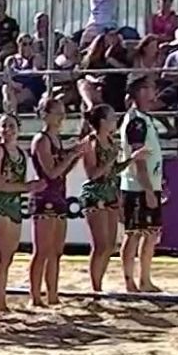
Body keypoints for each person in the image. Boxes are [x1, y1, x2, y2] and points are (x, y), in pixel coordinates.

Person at [27, 95, 89, 306]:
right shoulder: (41, 140)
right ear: (46, 115)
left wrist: (75, 155)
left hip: (59, 194)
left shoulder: (56, 139)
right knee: (42, 250)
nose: (62, 116)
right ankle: (35, 296)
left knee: (55, 250)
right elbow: (51, 172)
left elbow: (62, 172)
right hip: (45, 197)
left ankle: (52, 294)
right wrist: (71, 155)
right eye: (58, 112)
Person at [0, 114, 42, 312]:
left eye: (10, 126)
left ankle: (2, 298)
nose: (6, 130)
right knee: (2, 255)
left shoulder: (21, 153)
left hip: (14, 205)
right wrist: (26, 187)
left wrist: (25, 187)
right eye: (3, 126)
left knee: (9, 256)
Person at [120, 75, 165, 293]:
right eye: (149, 88)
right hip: (136, 186)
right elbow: (138, 160)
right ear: (140, 92)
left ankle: (145, 279)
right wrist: (148, 189)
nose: (153, 93)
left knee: (150, 233)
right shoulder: (136, 121)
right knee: (134, 233)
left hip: (148, 184)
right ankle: (130, 280)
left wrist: (156, 183)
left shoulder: (145, 119)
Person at [78, 105, 129, 294]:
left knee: (110, 245)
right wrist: (111, 160)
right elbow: (93, 174)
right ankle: (96, 287)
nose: (115, 121)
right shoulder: (91, 142)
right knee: (100, 245)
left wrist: (130, 161)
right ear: (102, 122)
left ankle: (99, 284)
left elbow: (113, 171)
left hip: (109, 192)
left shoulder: (110, 140)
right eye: (112, 118)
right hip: (95, 194)